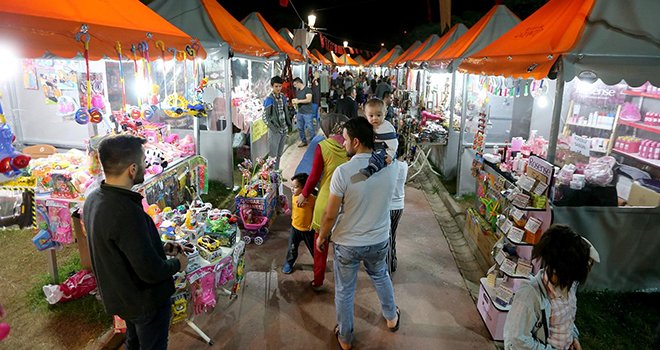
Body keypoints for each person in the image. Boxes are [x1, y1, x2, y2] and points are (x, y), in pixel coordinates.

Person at [84, 135, 190, 350]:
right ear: (132, 169)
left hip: (121, 297)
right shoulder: (126, 212)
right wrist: (178, 263)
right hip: (145, 302)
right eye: (143, 162)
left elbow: (125, 249)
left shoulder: (94, 198)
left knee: (133, 341)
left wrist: (166, 248)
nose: (145, 166)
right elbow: (150, 271)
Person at [316, 117, 400, 350]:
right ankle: (391, 318)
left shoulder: (343, 172)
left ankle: (345, 338)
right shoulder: (390, 165)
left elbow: (330, 215)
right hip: (379, 238)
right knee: (380, 275)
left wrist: (322, 236)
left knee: (345, 290)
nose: (342, 145)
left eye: (344, 140)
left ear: (355, 141)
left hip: (348, 242)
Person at [504, 224, 600, 350]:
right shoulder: (530, 296)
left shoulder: (570, 285)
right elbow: (516, 341)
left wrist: (573, 338)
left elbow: (567, 319)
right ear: (564, 270)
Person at [296, 113, 349, 290]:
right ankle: (345, 282)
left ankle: (318, 281)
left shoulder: (323, 146)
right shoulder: (353, 146)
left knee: (320, 244)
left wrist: (304, 194)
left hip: (327, 200)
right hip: (349, 202)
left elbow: (314, 176)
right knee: (347, 246)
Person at [282, 173, 316, 274]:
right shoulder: (293, 197)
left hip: (308, 230)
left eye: (295, 187)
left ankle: (319, 263)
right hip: (295, 228)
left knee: (314, 249)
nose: (292, 190)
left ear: (305, 188)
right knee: (291, 248)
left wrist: (313, 223)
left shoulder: (312, 199)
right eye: (292, 187)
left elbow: (315, 212)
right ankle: (289, 263)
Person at [360, 98, 398, 178]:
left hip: (386, 150)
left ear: (385, 113)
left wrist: (390, 155)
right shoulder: (368, 125)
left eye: (378, 115)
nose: (374, 118)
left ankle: (371, 169)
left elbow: (393, 143)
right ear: (365, 114)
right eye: (371, 116)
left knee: (379, 156)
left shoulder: (387, 127)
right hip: (375, 148)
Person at [262, 76, 292, 170]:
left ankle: (276, 174)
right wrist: (274, 129)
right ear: (272, 86)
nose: (278, 88)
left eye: (280, 86)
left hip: (284, 129)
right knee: (272, 156)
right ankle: (270, 177)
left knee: (279, 154)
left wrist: (288, 125)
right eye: (276, 86)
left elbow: (285, 111)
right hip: (275, 131)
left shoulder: (283, 97)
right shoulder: (269, 99)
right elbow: (265, 117)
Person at [387, 139, 408, 275]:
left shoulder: (390, 166)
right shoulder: (404, 165)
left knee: (386, 239)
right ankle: (393, 261)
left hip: (388, 207)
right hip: (399, 206)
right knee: (392, 235)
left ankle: (387, 268)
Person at [292, 77, 315, 147]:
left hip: (307, 112)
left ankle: (313, 142)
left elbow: (308, 100)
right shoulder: (298, 91)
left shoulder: (307, 90)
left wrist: (298, 101)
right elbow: (299, 100)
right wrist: (295, 102)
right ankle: (303, 141)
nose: (295, 86)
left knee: (310, 127)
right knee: (300, 127)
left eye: (295, 85)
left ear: (299, 83)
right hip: (300, 112)